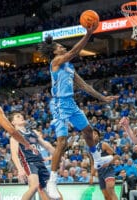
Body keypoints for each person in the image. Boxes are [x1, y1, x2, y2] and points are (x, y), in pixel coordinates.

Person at [39, 23, 119, 198]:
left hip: (71, 103)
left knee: (89, 131)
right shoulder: (56, 62)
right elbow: (74, 52)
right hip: (59, 104)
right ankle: (52, 181)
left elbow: (84, 85)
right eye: (60, 46)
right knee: (62, 141)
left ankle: (97, 159)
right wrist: (88, 34)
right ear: (54, 51)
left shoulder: (69, 67)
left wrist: (102, 98)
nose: (63, 47)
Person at [9, 111, 62, 200]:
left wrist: (59, 155)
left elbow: (46, 145)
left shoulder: (33, 132)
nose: (21, 117)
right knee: (34, 186)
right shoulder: (15, 135)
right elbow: (14, 155)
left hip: (40, 163)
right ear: (13, 122)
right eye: (18, 117)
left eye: (22, 115)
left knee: (53, 189)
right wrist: (20, 170)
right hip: (29, 163)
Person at [89, 128, 119, 200]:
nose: (94, 135)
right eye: (92, 134)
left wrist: (108, 163)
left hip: (108, 169)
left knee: (111, 189)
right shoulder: (90, 149)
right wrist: (91, 176)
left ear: (98, 136)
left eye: (95, 133)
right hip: (100, 172)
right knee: (106, 196)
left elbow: (116, 156)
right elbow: (92, 163)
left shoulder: (103, 145)